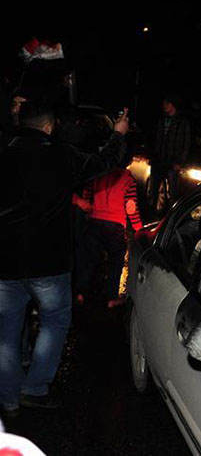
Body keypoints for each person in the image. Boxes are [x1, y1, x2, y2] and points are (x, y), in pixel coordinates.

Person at [0, 102, 128, 416]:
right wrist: (118, 135)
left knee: (6, 330)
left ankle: (8, 397)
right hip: (50, 262)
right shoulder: (60, 156)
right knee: (55, 322)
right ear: (49, 126)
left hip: (6, 261)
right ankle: (35, 387)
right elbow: (104, 162)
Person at [74, 164, 144, 308]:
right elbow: (131, 208)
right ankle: (110, 298)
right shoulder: (128, 180)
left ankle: (80, 293)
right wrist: (140, 230)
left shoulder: (99, 174)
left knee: (88, 259)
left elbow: (87, 195)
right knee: (116, 261)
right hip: (115, 226)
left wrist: (89, 211)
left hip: (95, 221)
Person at [148, 96, 191, 212]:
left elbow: (186, 143)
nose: (164, 106)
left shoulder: (182, 121)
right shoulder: (162, 119)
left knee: (173, 192)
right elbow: (156, 138)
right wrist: (154, 156)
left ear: (172, 105)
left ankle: (172, 214)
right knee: (154, 189)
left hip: (173, 160)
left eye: (166, 104)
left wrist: (180, 162)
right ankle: (152, 212)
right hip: (159, 159)